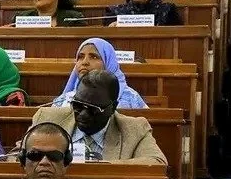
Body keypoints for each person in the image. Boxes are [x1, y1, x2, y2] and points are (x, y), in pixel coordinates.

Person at [32, 70, 167, 164]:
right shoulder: (47, 119)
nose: (83, 114)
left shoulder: (135, 129)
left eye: (93, 109)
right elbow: (20, 156)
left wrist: (100, 167)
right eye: (78, 105)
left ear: (112, 108)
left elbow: (157, 162)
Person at [51, 37, 147, 109]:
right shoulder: (65, 100)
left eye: (94, 57)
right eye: (80, 57)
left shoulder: (131, 98)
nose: (84, 62)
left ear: (108, 63)